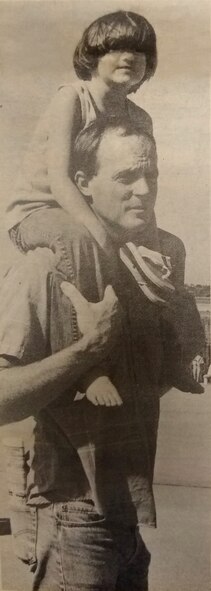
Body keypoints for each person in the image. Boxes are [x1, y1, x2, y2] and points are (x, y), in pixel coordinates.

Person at [0, 119, 204, 591]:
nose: (144, 190)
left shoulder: (149, 268)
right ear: (83, 185)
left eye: (151, 174)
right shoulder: (43, 268)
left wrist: (185, 355)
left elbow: (146, 384)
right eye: (126, 177)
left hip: (128, 511)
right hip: (70, 511)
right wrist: (86, 352)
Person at [6, 10, 157, 408]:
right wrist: (105, 237)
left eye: (140, 49)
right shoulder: (72, 98)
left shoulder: (139, 117)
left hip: (92, 215)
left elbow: (144, 180)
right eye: (116, 47)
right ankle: (89, 365)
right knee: (80, 238)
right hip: (38, 211)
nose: (129, 56)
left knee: (162, 249)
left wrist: (145, 240)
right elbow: (60, 181)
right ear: (92, 55)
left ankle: (171, 353)